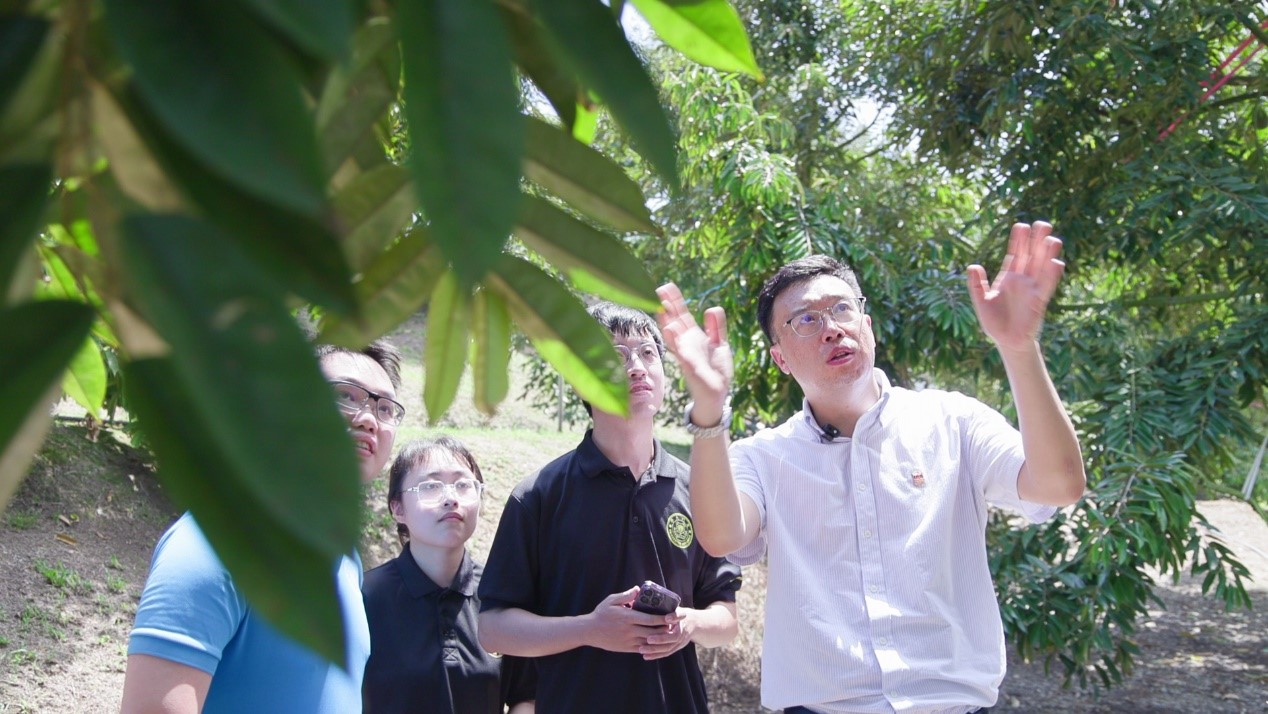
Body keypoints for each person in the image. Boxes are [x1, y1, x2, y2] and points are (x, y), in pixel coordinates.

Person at [657, 222, 1087, 714]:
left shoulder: (953, 421)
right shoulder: (763, 457)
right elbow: (721, 536)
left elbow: (1058, 485)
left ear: (867, 323)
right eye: (805, 320)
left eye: (842, 308)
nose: (832, 327)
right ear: (779, 358)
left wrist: (1018, 346)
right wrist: (709, 412)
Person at [477, 301, 743, 713]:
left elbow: (726, 617)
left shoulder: (697, 488)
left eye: (647, 353)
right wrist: (589, 630)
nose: (636, 366)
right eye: (616, 357)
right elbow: (493, 629)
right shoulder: (539, 496)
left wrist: (690, 624)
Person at [120, 340, 403, 714]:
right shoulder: (218, 540)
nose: (369, 419)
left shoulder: (345, 560)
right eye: (346, 395)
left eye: (385, 408)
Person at [361, 436, 535, 713]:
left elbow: (525, 695)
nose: (451, 499)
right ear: (397, 508)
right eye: (430, 486)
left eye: (463, 485)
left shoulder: (499, 595)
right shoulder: (365, 597)